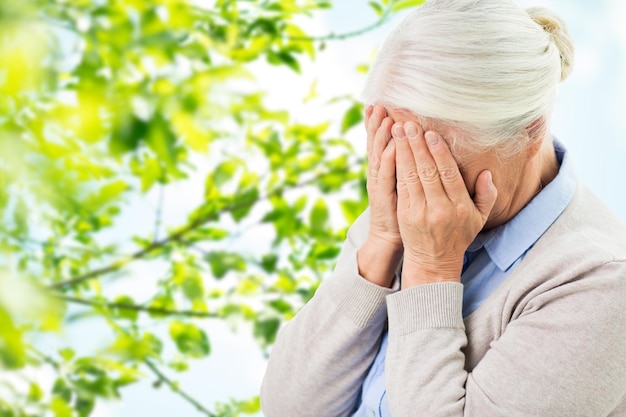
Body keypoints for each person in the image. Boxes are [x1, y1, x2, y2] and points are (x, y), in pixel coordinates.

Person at [260, 0, 626, 415]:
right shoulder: (400, 209)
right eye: (397, 149)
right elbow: (287, 407)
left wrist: (431, 270)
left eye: (442, 165)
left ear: (530, 131)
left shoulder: (604, 285)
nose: (415, 190)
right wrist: (380, 245)